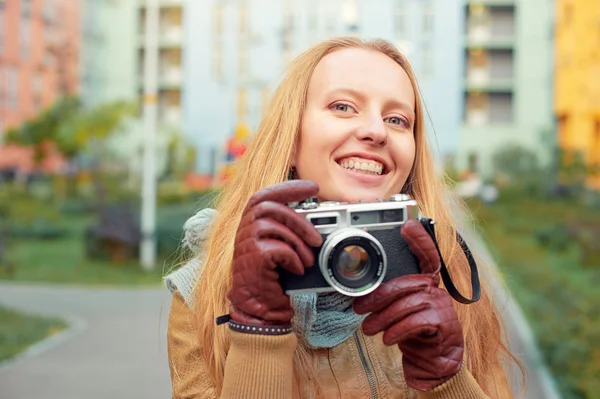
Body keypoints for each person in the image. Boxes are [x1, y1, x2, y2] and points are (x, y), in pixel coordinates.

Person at [165, 37, 520, 398]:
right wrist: (257, 331)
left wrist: (447, 379)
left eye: (397, 119)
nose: (377, 131)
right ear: (291, 137)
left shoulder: (447, 272)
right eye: (343, 106)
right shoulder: (205, 290)